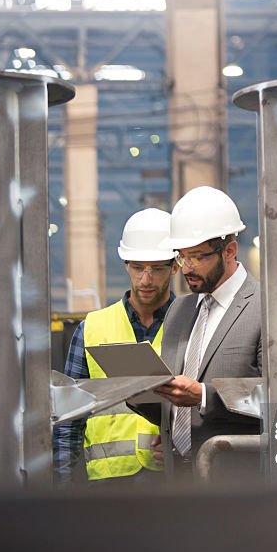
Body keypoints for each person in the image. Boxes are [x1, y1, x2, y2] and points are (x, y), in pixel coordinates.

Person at [133, 186, 262, 479]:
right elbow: (176, 399)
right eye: (181, 258)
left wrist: (205, 396)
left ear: (229, 250)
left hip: (236, 481)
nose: (186, 268)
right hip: (177, 476)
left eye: (196, 257)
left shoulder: (265, 307)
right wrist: (144, 397)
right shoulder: (180, 310)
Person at [52, 208, 177, 485]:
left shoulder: (193, 326)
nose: (146, 279)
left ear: (175, 266)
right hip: (105, 487)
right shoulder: (92, 328)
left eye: (157, 268)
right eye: (137, 267)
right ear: (125, 264)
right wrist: (64, 491)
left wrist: (180, 452)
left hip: (171, 484)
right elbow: (68, 421)